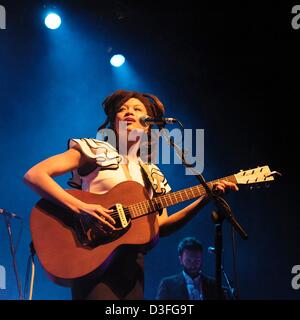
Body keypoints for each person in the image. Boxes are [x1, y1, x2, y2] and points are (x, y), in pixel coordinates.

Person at [23, 89, 238, 300]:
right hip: (91, 254)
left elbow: (161, 226)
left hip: (132, 266)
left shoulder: (151, 173)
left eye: (137, 109)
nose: (129, 112)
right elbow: (35, 175)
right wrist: (81, 207)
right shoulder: (94, 150)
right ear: (113, 121)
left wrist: (204, 199)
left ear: (148, 125)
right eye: (122, 109)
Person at [156, 237, 229, 300]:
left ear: (202, 258)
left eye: (197, 259)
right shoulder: (168, 285)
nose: (193, 263)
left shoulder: (213, 284)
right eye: (188, 260)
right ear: (180, 260)